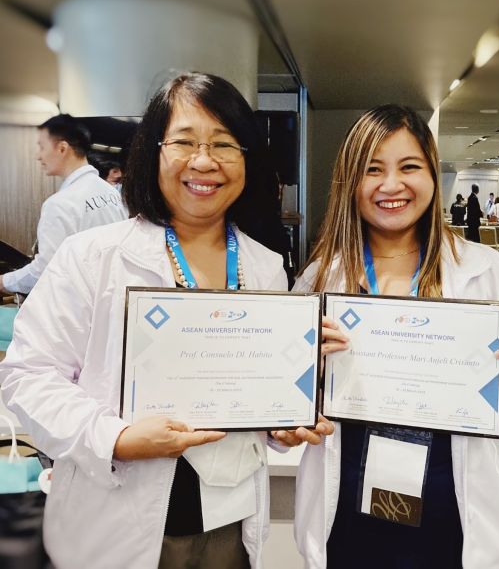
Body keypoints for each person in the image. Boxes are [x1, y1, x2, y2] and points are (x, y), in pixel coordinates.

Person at [0, 73, 331, 569]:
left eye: (224, 143)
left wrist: (279, 422)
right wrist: (113, 438)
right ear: (153, 152)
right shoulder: (93, 257)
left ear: (246, 159)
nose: (204, 161)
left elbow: (251, 385)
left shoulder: (264, 266)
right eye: (184, 142)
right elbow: (27, 376)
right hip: (117, 518)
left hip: (228, 523)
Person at [292, 104, 499, 569]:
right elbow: (292, 393)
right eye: (373, 170)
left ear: (432, 172)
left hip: (453, 496)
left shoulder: (489, 272)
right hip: (349, 494)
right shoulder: (320, 280)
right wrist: (307, 377)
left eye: (409, 167)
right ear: (351, 181)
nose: (392, 186)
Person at [0, 115, 127, 295]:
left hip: (79, 304)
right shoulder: (110, 192)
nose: (38, 156)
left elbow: (45, 271)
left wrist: (4, 281)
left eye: (42, 147)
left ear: (62, 148)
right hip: (109, 296)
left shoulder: (60, 204)